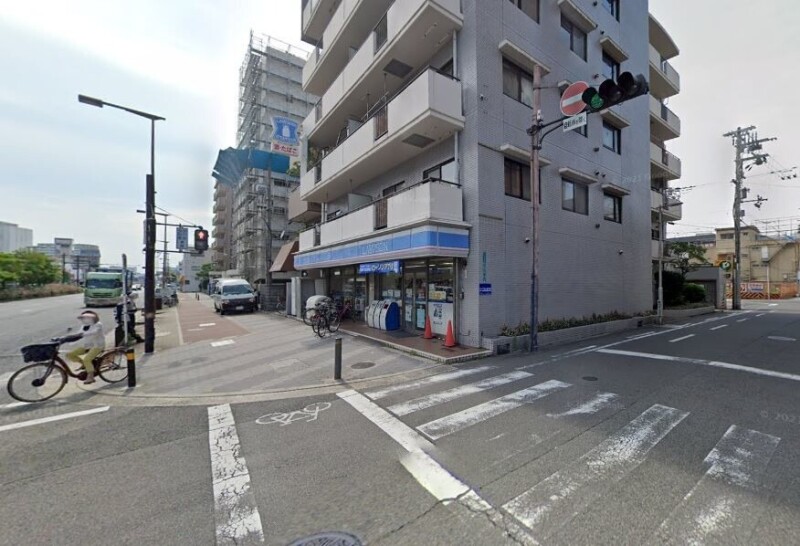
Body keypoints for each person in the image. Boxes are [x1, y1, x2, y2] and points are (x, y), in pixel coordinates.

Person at [66, 310, 106, 384]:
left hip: (97, 345)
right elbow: (79, 334)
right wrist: (69, 337)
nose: (83, 320)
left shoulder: (98, 324)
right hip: (87, 345)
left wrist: (83, 334)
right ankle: (86, 365)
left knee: (87, 360)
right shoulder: (84, 325)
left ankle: (91, 376)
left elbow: (95, 332)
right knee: (70, 355)